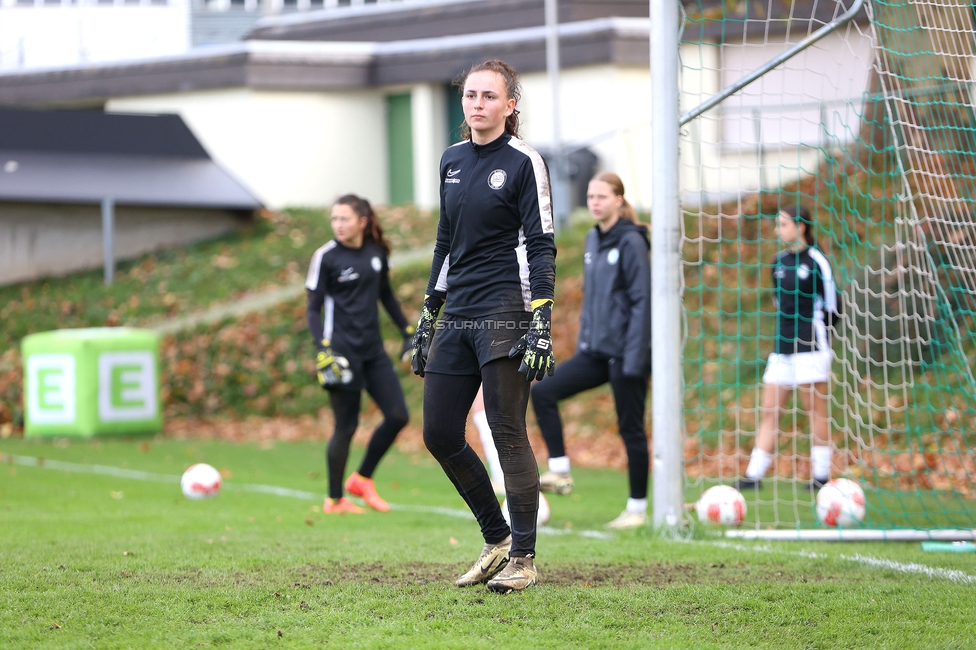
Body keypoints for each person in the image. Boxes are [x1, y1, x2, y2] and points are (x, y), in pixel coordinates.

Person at [411, 59, 556, 594]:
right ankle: (496, 539)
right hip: (460, 312)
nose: (477, 104)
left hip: (507, 309)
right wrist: (429, 314)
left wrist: (540, 319)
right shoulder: (450, 160)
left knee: (505, 429)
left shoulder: (524, 162)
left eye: (489, 96)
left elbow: (540, 243)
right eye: (470, 95)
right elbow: (445, 240)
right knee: (440, 433)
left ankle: (524, 558)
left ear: (510, 105)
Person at [531, 172, 652, 529]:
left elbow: (641, 301)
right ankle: (560, 470)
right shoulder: (591, 239)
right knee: (543, 392)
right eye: (591, 196)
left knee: (630, 428)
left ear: (618, 199)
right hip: (595, 352)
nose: (595, 202)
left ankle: (637, 508)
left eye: (602, 196)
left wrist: (635, 357)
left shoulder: (631, 242)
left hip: (625, 355)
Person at [305, 194, 414, 515]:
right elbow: (312, 310)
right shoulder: (325, 257)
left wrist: (409, 333)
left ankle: (362, 479)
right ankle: (335, 500)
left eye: (345, 219)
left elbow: (386, 296)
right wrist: (322, 350)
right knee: (346, 426)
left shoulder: (376, 253)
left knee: (398, 416)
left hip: (374, 352)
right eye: (334, 219)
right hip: (340, 353)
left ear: (362, 222)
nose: (338, 225)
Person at [736, 205, 839, 491]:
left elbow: (832, 306)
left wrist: (819, 336)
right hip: (782, 347)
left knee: (814, 410)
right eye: (777, 224)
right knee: (770, 410)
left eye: (783, 224)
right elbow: (778, 302)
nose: (778, 230)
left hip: (812, 344)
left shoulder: (817, 261)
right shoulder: (778, 262)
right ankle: (753, 476)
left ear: (800, 227)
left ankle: (821, 477)